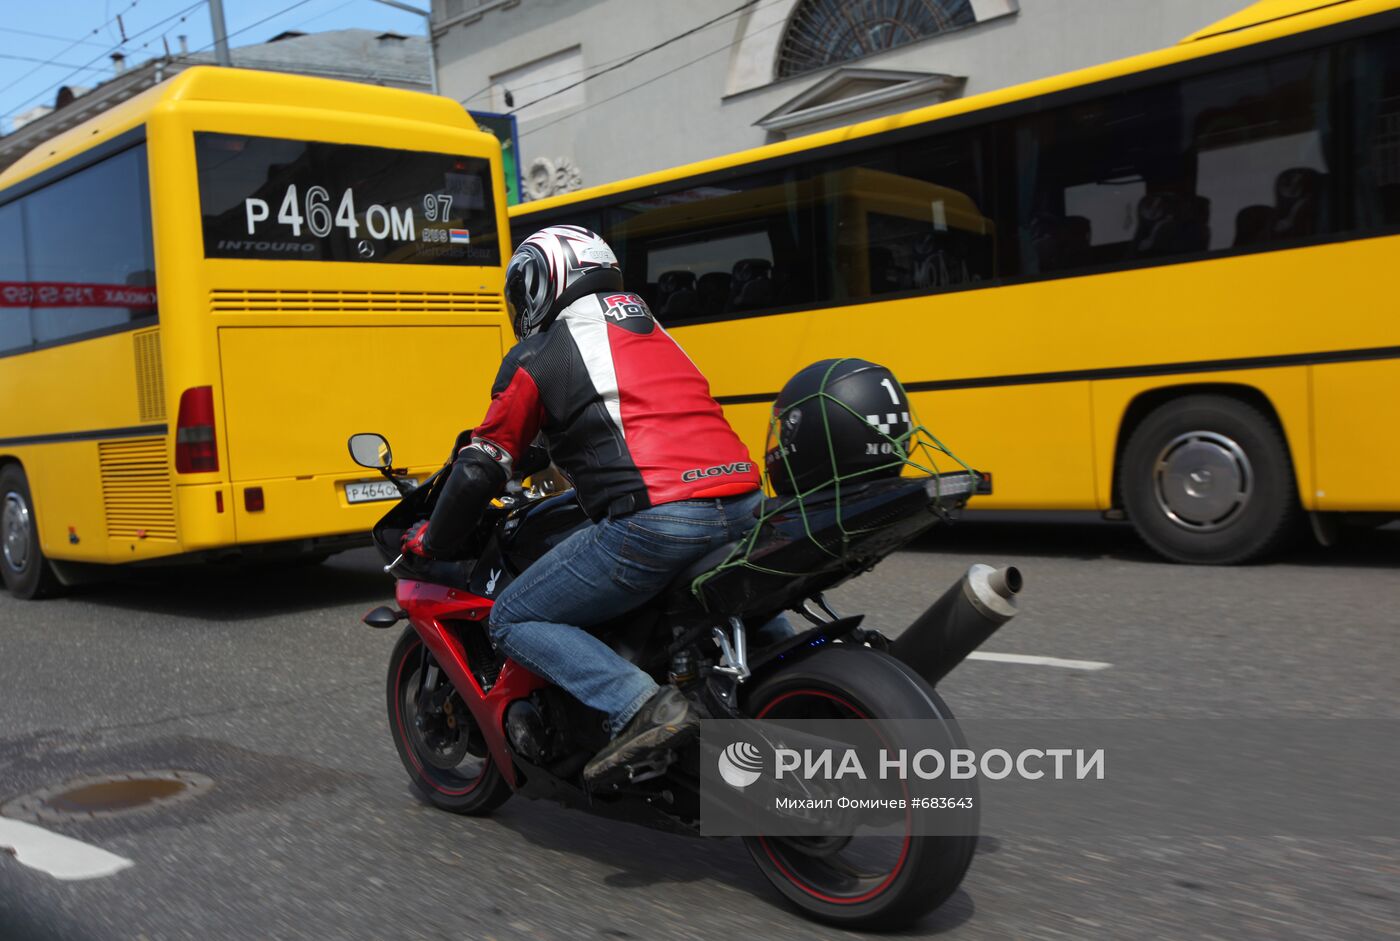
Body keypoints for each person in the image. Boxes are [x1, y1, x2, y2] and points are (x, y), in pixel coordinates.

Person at [400, 224, 763, 784]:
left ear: (547, 281)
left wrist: (433, 538)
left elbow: (479, 468)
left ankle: (640, 705)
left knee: (513, 616)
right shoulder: (658, 333)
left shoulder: (542, 354)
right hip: (743, 501)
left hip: (659, 521)